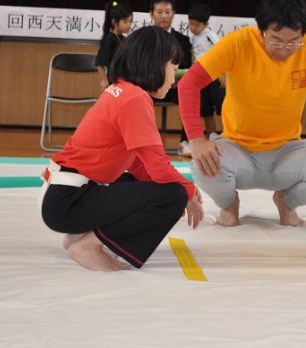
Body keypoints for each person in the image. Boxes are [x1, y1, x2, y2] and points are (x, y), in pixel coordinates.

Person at [177, 0, 306, 227]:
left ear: (304, 33)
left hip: (289, 152)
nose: (285, 49)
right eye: (276, 40)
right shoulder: (239, 42)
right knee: (202, 166)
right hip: (237, 149)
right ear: (261, 30)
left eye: (293, 41)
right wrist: (196, 140)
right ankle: (229, 204)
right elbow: (189, 83)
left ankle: (287, 201)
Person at [40, 26, 204, 272]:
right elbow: (158, 167)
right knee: (173, 194)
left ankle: (82, 236)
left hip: (65, 195)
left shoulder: (121, 90)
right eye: (173, 67)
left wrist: (171, 190)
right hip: (69, 201)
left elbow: (137, 163)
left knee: (163, 189)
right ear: (154, 64)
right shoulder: (135, 98)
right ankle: (89, 245)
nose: (174, 79)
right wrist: (187, 190)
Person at [148, 0, 194, 154]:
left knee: (190, 95)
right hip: (150, 88)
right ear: (151, 14)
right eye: (159, 12)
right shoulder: (143, 39)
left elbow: (187, 67)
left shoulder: (183, 40)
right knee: (136, 96)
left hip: (174, 88)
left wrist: (176, 82)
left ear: (173, 14)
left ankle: (185, 142)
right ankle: (146, 143)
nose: (164, 16)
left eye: (167, 12)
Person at [187, 3, 225, 140]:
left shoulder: (211, 36)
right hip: (202, 79)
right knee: (206, 111)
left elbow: (223, 53)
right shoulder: (194, 37)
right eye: (190, 24)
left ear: (206, 24)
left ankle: (229, 138)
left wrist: (223, 74)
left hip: (214, 78)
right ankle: (210, 138)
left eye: (196, 25)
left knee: (222, 109)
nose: (193, 28)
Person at [95, 1, 133, 89]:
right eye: (125, 22)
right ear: (115, 22)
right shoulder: (110, 39)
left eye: (130, 22)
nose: (129, 25)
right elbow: (100, 64)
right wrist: (104, 80)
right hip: (114, 82)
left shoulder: (123, 38)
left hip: (124, 80)